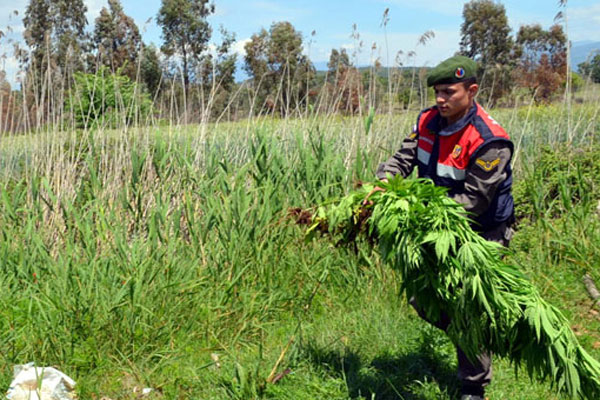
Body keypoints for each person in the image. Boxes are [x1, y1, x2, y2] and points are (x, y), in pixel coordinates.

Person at [375, 55, 514, 400]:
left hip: (481, 233)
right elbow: (404, 157)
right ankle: (477, 334)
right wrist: (383, 182)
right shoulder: (427, 121)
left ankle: (473, 385)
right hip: (434, 226)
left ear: (472, 90)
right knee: (422, 298)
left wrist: (419, 213)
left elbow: (474, 201)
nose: (441, 99)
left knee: (466, 306)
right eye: (437, 92)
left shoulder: (489, 141)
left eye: (449, 92)